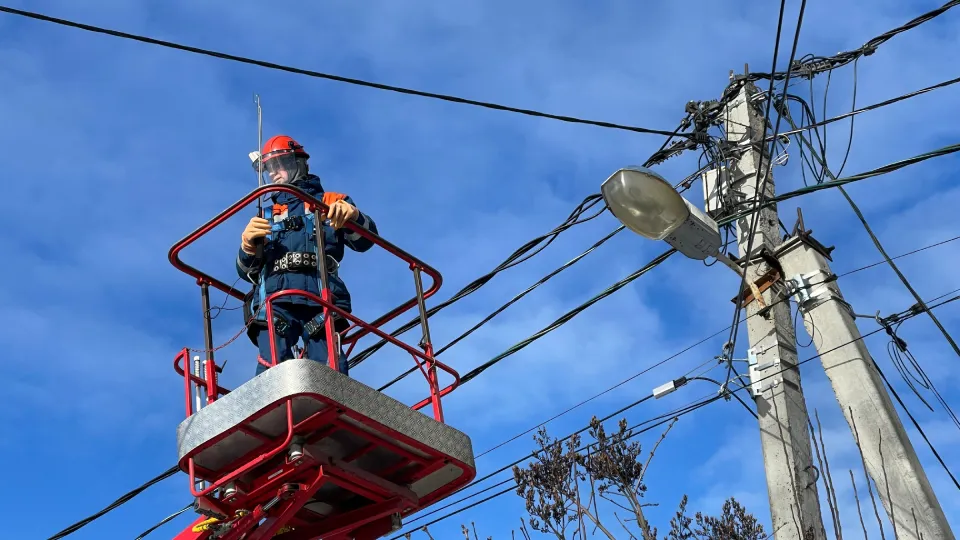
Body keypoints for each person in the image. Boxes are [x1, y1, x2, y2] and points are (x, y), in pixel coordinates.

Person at [237, 135, 378, 376]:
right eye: (269, 168)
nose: (273, 174)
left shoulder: (332, 202)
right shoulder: (266, 215)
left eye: (278, 165)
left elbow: (366, 241)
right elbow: (246, 271)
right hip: (276, 297)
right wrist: (248, 245)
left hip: (321, 295)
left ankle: (332, 405)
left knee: (330, 368)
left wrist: (353, 217)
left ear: (297, 163)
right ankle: (277, 408)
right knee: (273, 364)